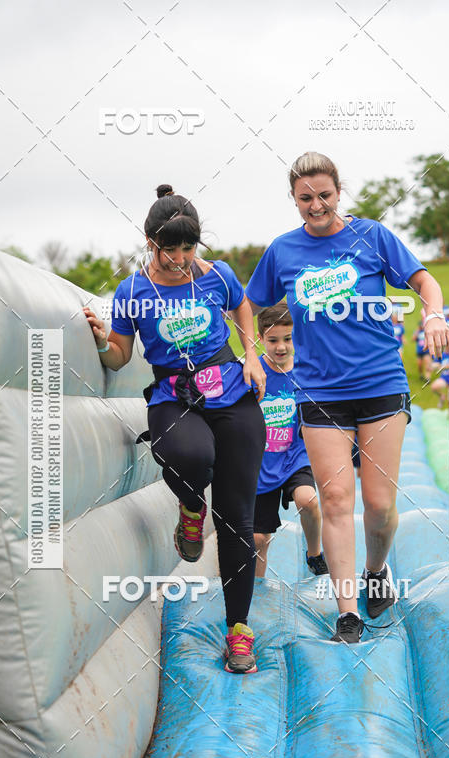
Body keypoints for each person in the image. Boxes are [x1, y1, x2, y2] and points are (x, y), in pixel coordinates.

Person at [246, 151, 449, 644]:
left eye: (324, 195)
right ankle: (347, 612)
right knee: (335, 498)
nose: (315, 205)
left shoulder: (372, 237)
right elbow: (248, 300)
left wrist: (434, 314)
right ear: (293, 200)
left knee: (379, 505)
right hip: (319, 393)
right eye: (305, 198)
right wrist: (251, 353)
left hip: (380, 384)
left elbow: (424, 280)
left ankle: (376, 570)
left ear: (339, 192)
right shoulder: (283, 251)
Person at [83, 185, 266, 674]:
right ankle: (189, 505)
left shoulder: (217, 275)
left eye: (189, 248)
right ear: (149, 242)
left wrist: (252, 356)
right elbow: (121, 355)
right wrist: (103, 341)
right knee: (190, 456)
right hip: (173, 396)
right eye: (171, 249)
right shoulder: (133, 292)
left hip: (231, 390)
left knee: (236, 520)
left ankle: (239, 631)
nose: (182, 259)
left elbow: (242, 307)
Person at [252, 302, 327, 578]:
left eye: (288, 339)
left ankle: (315, 552)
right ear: (260, 339)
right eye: (273, 340)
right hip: (262, 461)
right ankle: (257, 596)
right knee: (259, 538)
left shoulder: (306, 371)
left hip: (295, 454)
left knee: (307, 500)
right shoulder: (253, 372)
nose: (281, 347)